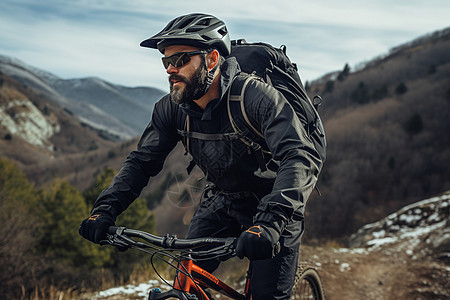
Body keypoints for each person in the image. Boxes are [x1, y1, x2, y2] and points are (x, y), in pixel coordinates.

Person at [79, 13, 323, 299]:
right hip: (223, 199)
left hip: (274, 205)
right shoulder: (172, 109)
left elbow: (299, 155)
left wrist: (272, 221)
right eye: (166, 61)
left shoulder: (255, 97)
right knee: (185, 283)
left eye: (181, 59)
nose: (171, 69)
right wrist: (105, 209)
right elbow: (141, 162)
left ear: (211, 59)